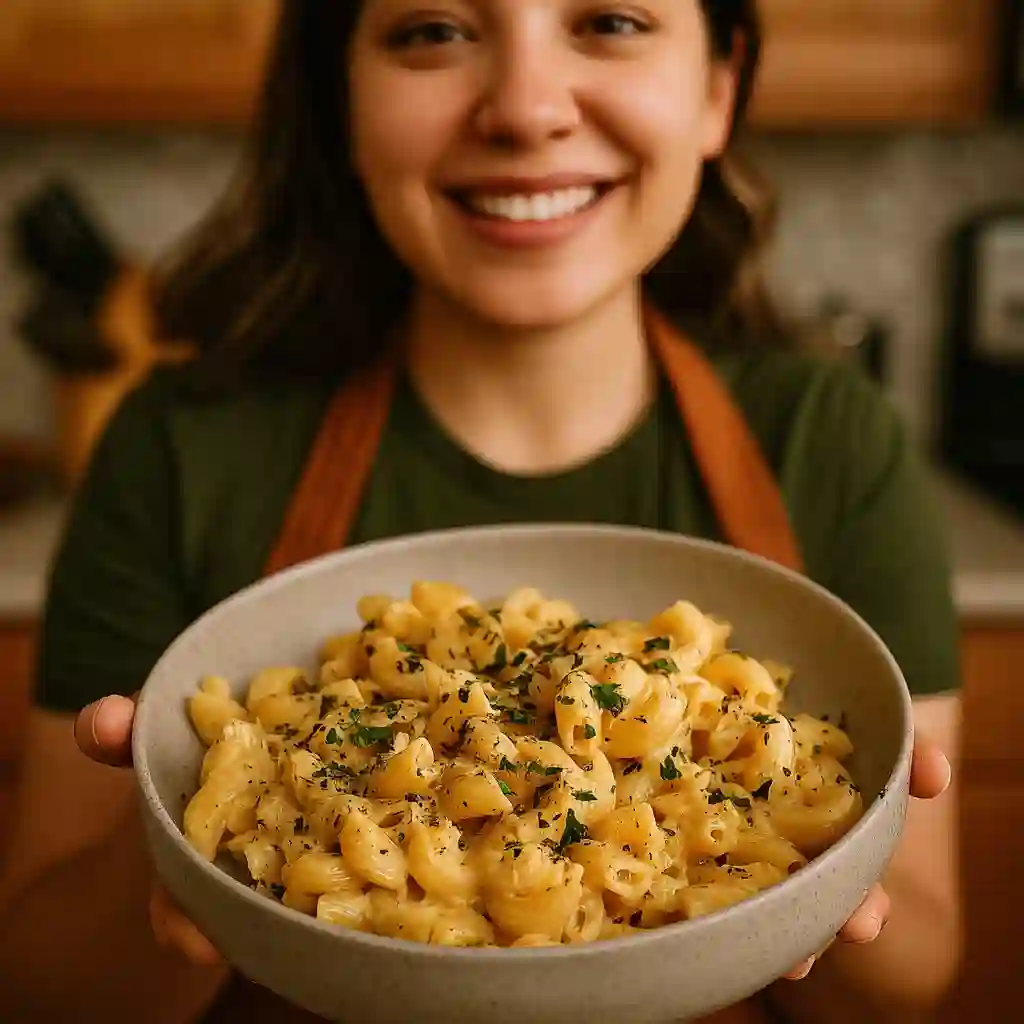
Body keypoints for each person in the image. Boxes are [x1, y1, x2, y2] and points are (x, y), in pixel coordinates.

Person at [0, 1, 961, 1022]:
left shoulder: (832, 443)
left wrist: (832, 878)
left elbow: (912, 980)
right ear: (340, 94)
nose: (526, 107)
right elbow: (46, 990)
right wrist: (171, 848)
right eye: (433, 30)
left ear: (717, 88)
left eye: (610, 19)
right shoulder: (178, 452)